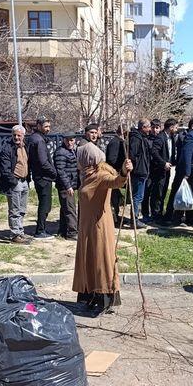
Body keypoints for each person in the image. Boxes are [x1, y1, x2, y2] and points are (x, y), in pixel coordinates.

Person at [73, 134, 133, 317]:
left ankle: (104, 298)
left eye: (80, 156)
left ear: (87, 158)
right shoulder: (86, 174)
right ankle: (90, 295)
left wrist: (123, 171)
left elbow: (115, 182)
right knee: (88, 260)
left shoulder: (100, 174)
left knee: (101, 260)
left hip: (99, 226)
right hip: (86, 227)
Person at [167, 117, 193, 226]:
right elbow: (187, 155)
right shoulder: (191, 136)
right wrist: (187, 172)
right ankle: (176, 218)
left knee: (191, 194)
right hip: (188, 173)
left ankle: (190, 218)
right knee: (184, 194)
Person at [0, 125, 32, 244]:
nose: (16, 137)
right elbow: (5, 169)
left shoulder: (24, 147)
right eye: (14, 135)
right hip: (15, 183)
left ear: (23, 136)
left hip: (24, 181)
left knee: (22, 209)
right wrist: (13, 181)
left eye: (19, 135)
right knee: (14, 210)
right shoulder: (7, 149)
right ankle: (15, 234)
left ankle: (20, 231)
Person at [28, 117, 57, 240]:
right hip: (43, 177)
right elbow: (43, 162)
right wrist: (54, 173)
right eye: (46, 126)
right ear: (39, 126)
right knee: (45, 204)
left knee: (45, 204)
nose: (48, 129)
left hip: (40, 176)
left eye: (49, 126)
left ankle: (42, 228)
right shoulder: (38, 140)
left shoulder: (36, 138)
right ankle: (40, 231)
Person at [54, 131, 81, 240]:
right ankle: (72, 233)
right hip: (65, 186)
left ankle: (63, 230)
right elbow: (60, 171)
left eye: (72, 140)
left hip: (71, 184)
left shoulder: (72, 151)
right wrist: (68, 186)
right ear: (63, 140)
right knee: (70, 209)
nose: (70, 142)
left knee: (65, 208)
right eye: (67, 140)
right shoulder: (61, 152)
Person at [149, 118, 177, 223]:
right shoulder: (160, 138)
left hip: (167, 169)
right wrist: (163, 163)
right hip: (159, 169)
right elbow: (154, 152)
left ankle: (160, 213)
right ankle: (156, 215)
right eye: (175, 127)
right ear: (171, 127)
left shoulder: (171, 137)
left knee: (163, 191)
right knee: (158, 193)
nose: (176, 129)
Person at [127, 119, 152, 228]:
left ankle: (135, 218)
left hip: (142, 171)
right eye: (148, 127)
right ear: (143, 127)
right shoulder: (136, 139)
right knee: (137, 196)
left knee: (139, 196)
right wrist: (138, 167)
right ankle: (134, 219)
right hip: (138, 172)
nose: (150, 129)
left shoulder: (142, 138)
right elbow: (133, 155)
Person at [105, 125, 127, 224]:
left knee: (116, 197)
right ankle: (114, 218)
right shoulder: (115, 142)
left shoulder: (120, 142)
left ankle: (116, 216)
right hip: (113, 173)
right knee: (113, 198)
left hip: (117, 172)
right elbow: (111, 159)